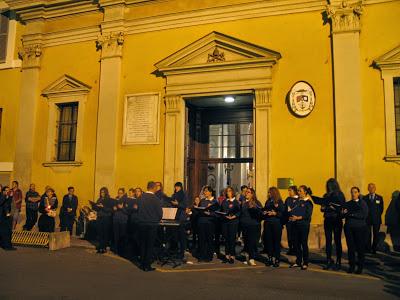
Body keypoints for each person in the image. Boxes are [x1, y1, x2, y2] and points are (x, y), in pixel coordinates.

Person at [311, 178, 346, 270]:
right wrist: (323, 207)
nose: (328, 188)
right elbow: (322, 208)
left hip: (337, 219)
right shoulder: (326, 195)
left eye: (329, 186)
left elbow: (342, 207)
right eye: (327, 186)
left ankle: (338, 261)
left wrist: (333, 207)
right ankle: (328, 260)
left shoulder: (340, 195)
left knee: (337, 241)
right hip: (328, 219)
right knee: (328, 241)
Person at [137, 181, 163, 271]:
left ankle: (142, 263)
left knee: (143, 244)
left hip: (142, 223)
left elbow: (138, 210)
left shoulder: (141, 197)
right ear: (153, 188)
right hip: (152, 224)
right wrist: (157, 219)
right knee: (149, 245)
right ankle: (147, 265)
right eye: (156, 187)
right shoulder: (155, 199)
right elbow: (160, 213)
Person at [343, 187, 369, 274]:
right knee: (351, 248)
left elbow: (364, 215)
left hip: (360, 228)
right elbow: (344, 214)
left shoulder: (363, 203)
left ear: (358, 193)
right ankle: (352, 266)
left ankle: (360, 267)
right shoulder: (348, 203)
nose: (353, 194)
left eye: (355, 192)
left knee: (360, 248)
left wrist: (352, 214)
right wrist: (343, 213)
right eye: (352, 192)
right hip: (349, 228)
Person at [289, 185, 313, 270]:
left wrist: (298, 218)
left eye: (300, 191)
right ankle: (298, 261)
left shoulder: (308, 202)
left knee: (303, 243)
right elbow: (293, 210)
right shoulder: (298, 201)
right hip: (295, 225)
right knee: (296, 243)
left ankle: (305, 262)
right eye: (298, 191)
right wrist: (291, 215)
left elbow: (307, 215)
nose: (298, 192)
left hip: (304, 225)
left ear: (305, 192)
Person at [240, 187, 262, 266]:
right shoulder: (243, 203)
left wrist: (254, 209)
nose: (246, 193)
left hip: (253, 225)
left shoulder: (256, 202)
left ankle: (252, 258)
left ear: (252, 194)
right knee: (246, 242)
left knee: (252, 242)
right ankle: (247, 258)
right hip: (245, 225)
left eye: (248, 192)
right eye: (246, 192)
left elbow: (260, 213)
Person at [263, 187, 284, 267]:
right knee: (269, 242)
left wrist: (275, 213)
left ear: (274, 193)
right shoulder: (268, 201)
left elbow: (282, 213)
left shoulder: (279, 201)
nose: (268, 194)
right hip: (268, 223)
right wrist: (264, 212)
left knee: (276, 242)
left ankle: (277, 259)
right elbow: (264, 209)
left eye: (269, 192)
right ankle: (270, 258)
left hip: (276, 224)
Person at [196, 185, 219, 262]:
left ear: (210, 192)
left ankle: (209, 256)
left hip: (210, 223)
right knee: (201, 240)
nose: (204, 192)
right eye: (204, 191)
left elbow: (217, 214)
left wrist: (210, 214)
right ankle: (201, 256)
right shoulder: (202, 201)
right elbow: (199, 210)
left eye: (206, 191)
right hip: (201, 222)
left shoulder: (215, 202)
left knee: (209, 240)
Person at [220, 186, 240, 264]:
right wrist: (224, 216)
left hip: (233, 222)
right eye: (227, 191)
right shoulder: (224, 201)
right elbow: (221, 211)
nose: (228, 193)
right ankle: (226, 255)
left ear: (232, 192)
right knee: (226, 239)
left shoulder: (236, 202)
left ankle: (232, 256)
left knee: (231, 239)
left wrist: (234, 216)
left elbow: (239, 212)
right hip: (225, 222)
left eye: (229, 191)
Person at [363, 183, 384, 254]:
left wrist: (376, 216)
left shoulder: (379, 198)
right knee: (367, 234)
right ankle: (368, 248)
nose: (371, 189)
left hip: (376, 220)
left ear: (375, 189)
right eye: (370, 187)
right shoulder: (364, 198)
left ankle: (374, 248)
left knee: (376, 234)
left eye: (373, 187)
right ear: (368, 189)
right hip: (367, 219)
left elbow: (381, 209)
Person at [170, 182, 188, 260]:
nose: (175, 188)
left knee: (181, 236)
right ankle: (175, 252)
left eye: (177, 187)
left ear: (180, 187)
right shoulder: (174, 195)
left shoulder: (184, 195)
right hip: (174, 217)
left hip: (181, 217)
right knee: (175, 236)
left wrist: (178, 204)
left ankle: (181, 253)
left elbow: (185, 205)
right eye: (175, 187)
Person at [93, 187, 114, 254]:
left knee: (105, 233)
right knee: (100, 233)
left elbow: (110, 210)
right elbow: (96, 208)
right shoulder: (99, 199)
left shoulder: (109, 200)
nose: (102, 194)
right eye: (101, 192)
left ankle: (104, 247)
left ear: (106, 193)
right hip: (99, 217)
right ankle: (100, 246)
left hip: (106, 218)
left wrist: (103, 207)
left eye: (103, 192)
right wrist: (95, 206)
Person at [112, 188, 129, 255]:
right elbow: (112, 210)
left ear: (123, 193)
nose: (119, 194)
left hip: (123, 221)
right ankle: (116, 250)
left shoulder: (127, 200)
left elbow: (128, 212)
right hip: (116, 220)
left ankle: (122, 251)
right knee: (116, 236)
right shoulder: (116, 199)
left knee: (122, 236)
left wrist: (122, 208)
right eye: (118, 193)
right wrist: (114, 209)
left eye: (121, 193)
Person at [284, 185, 299, 255]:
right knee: (289, 236)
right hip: (288, 221)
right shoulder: (288, 199)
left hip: (296, 221)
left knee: (295, 236)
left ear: (295, 191)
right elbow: (285, 208)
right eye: (288, 191)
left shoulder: (299, 199)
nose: (289, 192)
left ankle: (296, 249)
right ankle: (291, 249)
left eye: (290, 191)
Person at [0, 186, 16, 250]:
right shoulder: (2, 196)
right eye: (6, 190)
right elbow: (1, 202)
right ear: (3, 191)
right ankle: (6, 246)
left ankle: (6, 245)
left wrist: (10, 197)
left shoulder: (6, 196)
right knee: (5, 232)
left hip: (6, 216)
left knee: (7, 232)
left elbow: (7, 203)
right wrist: (6, 196)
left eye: (9, 190)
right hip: (2, 217)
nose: (8, 191)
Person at [126, 188, 140, 258]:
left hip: (138, 221)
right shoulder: (131, 200)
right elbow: (129, 209)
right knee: (131, 237)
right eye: (136, 191)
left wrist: (137, 208)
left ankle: (137, 254)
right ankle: (131, 253)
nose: (137, 193)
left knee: (137, 238)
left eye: (138, 191)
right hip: (131, 220)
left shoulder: (141, 200)